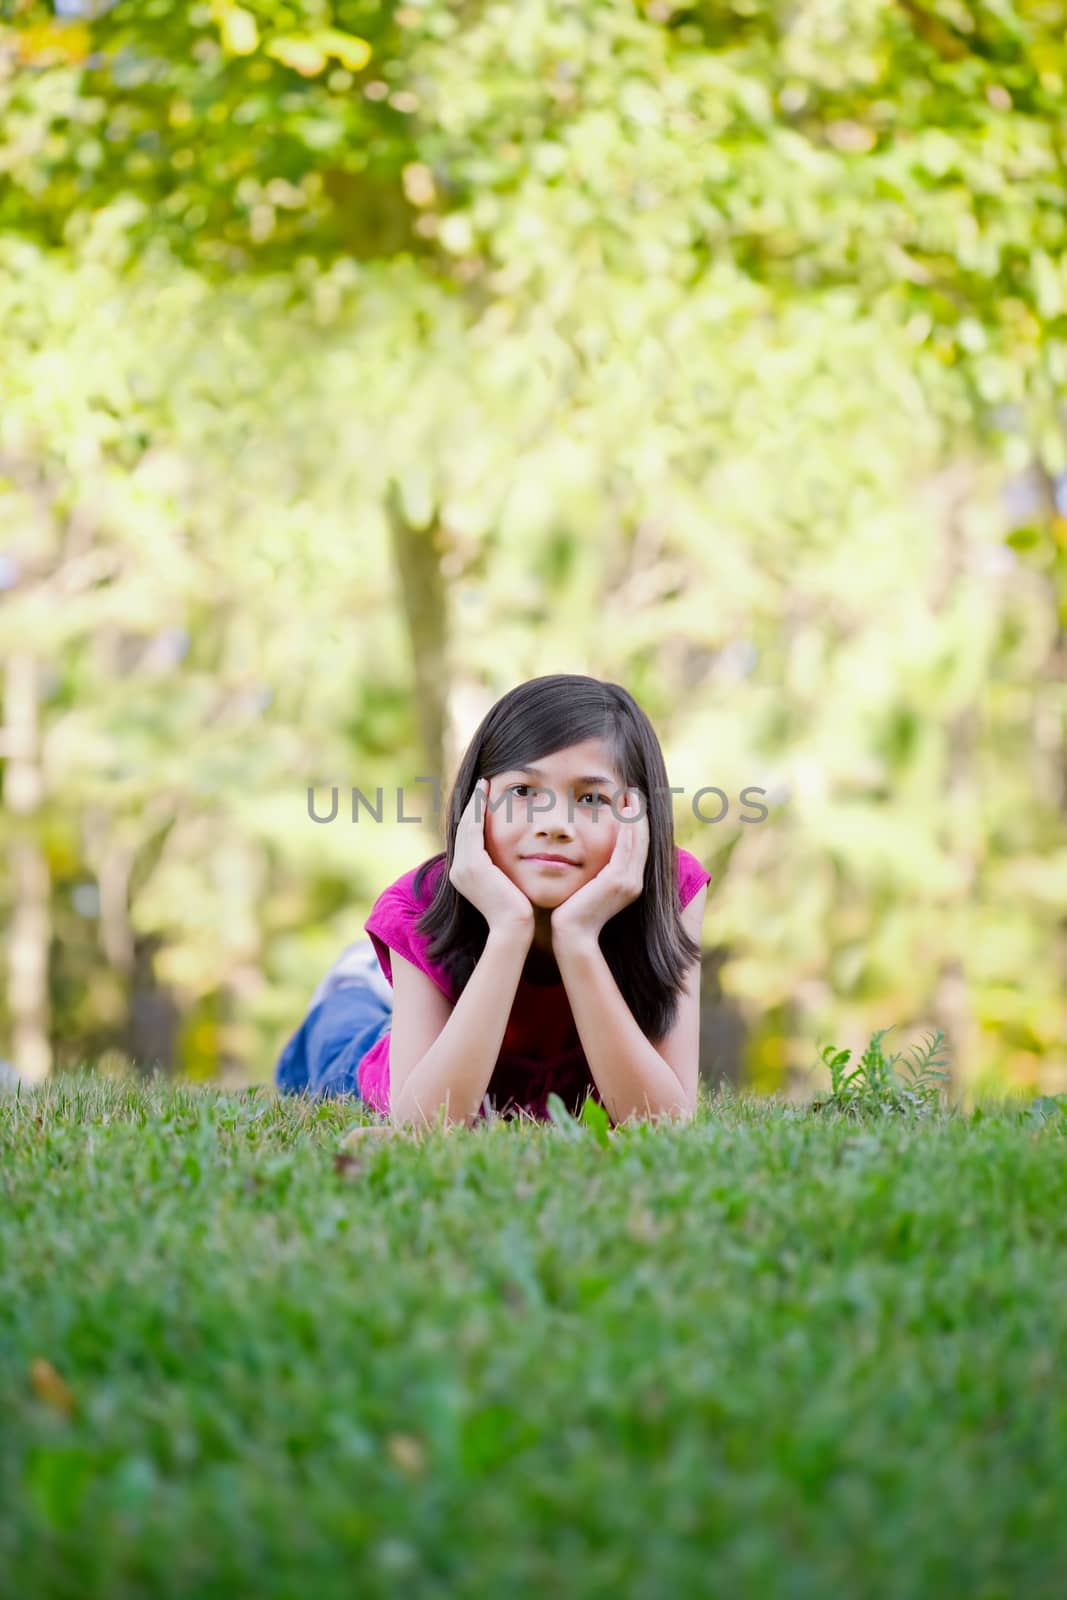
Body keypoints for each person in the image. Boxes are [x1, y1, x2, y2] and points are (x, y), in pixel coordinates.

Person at [274, 674, 712, 1129]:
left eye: (591, 798)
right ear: (475, 805)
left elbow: (666, 1124)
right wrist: (508, 931)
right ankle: (359, 979)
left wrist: (578, 937)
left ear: (638, 817)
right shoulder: (417, 905)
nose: (554, 824)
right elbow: (425, 1125)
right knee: (344, 1021)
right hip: (399, 1058)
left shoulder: (672, 889)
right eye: (523, 792)